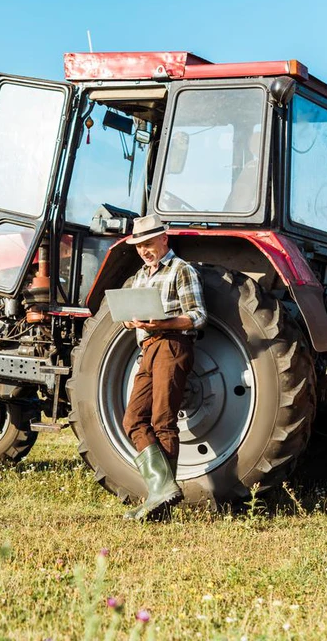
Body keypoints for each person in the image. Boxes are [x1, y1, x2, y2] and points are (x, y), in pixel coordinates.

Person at [120, 215, 206, 520]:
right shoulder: (140, 277)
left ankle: (161, 503)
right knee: (133, 419)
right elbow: (134, 313)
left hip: (172, 344)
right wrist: (132, 320)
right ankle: (162, 490)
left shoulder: (182, 270)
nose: (144, 250)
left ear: (164, 240)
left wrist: (162, 322)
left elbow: (197, 315)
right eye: (139, 246)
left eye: (149, 243)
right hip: (148, 346)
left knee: (163, 420)